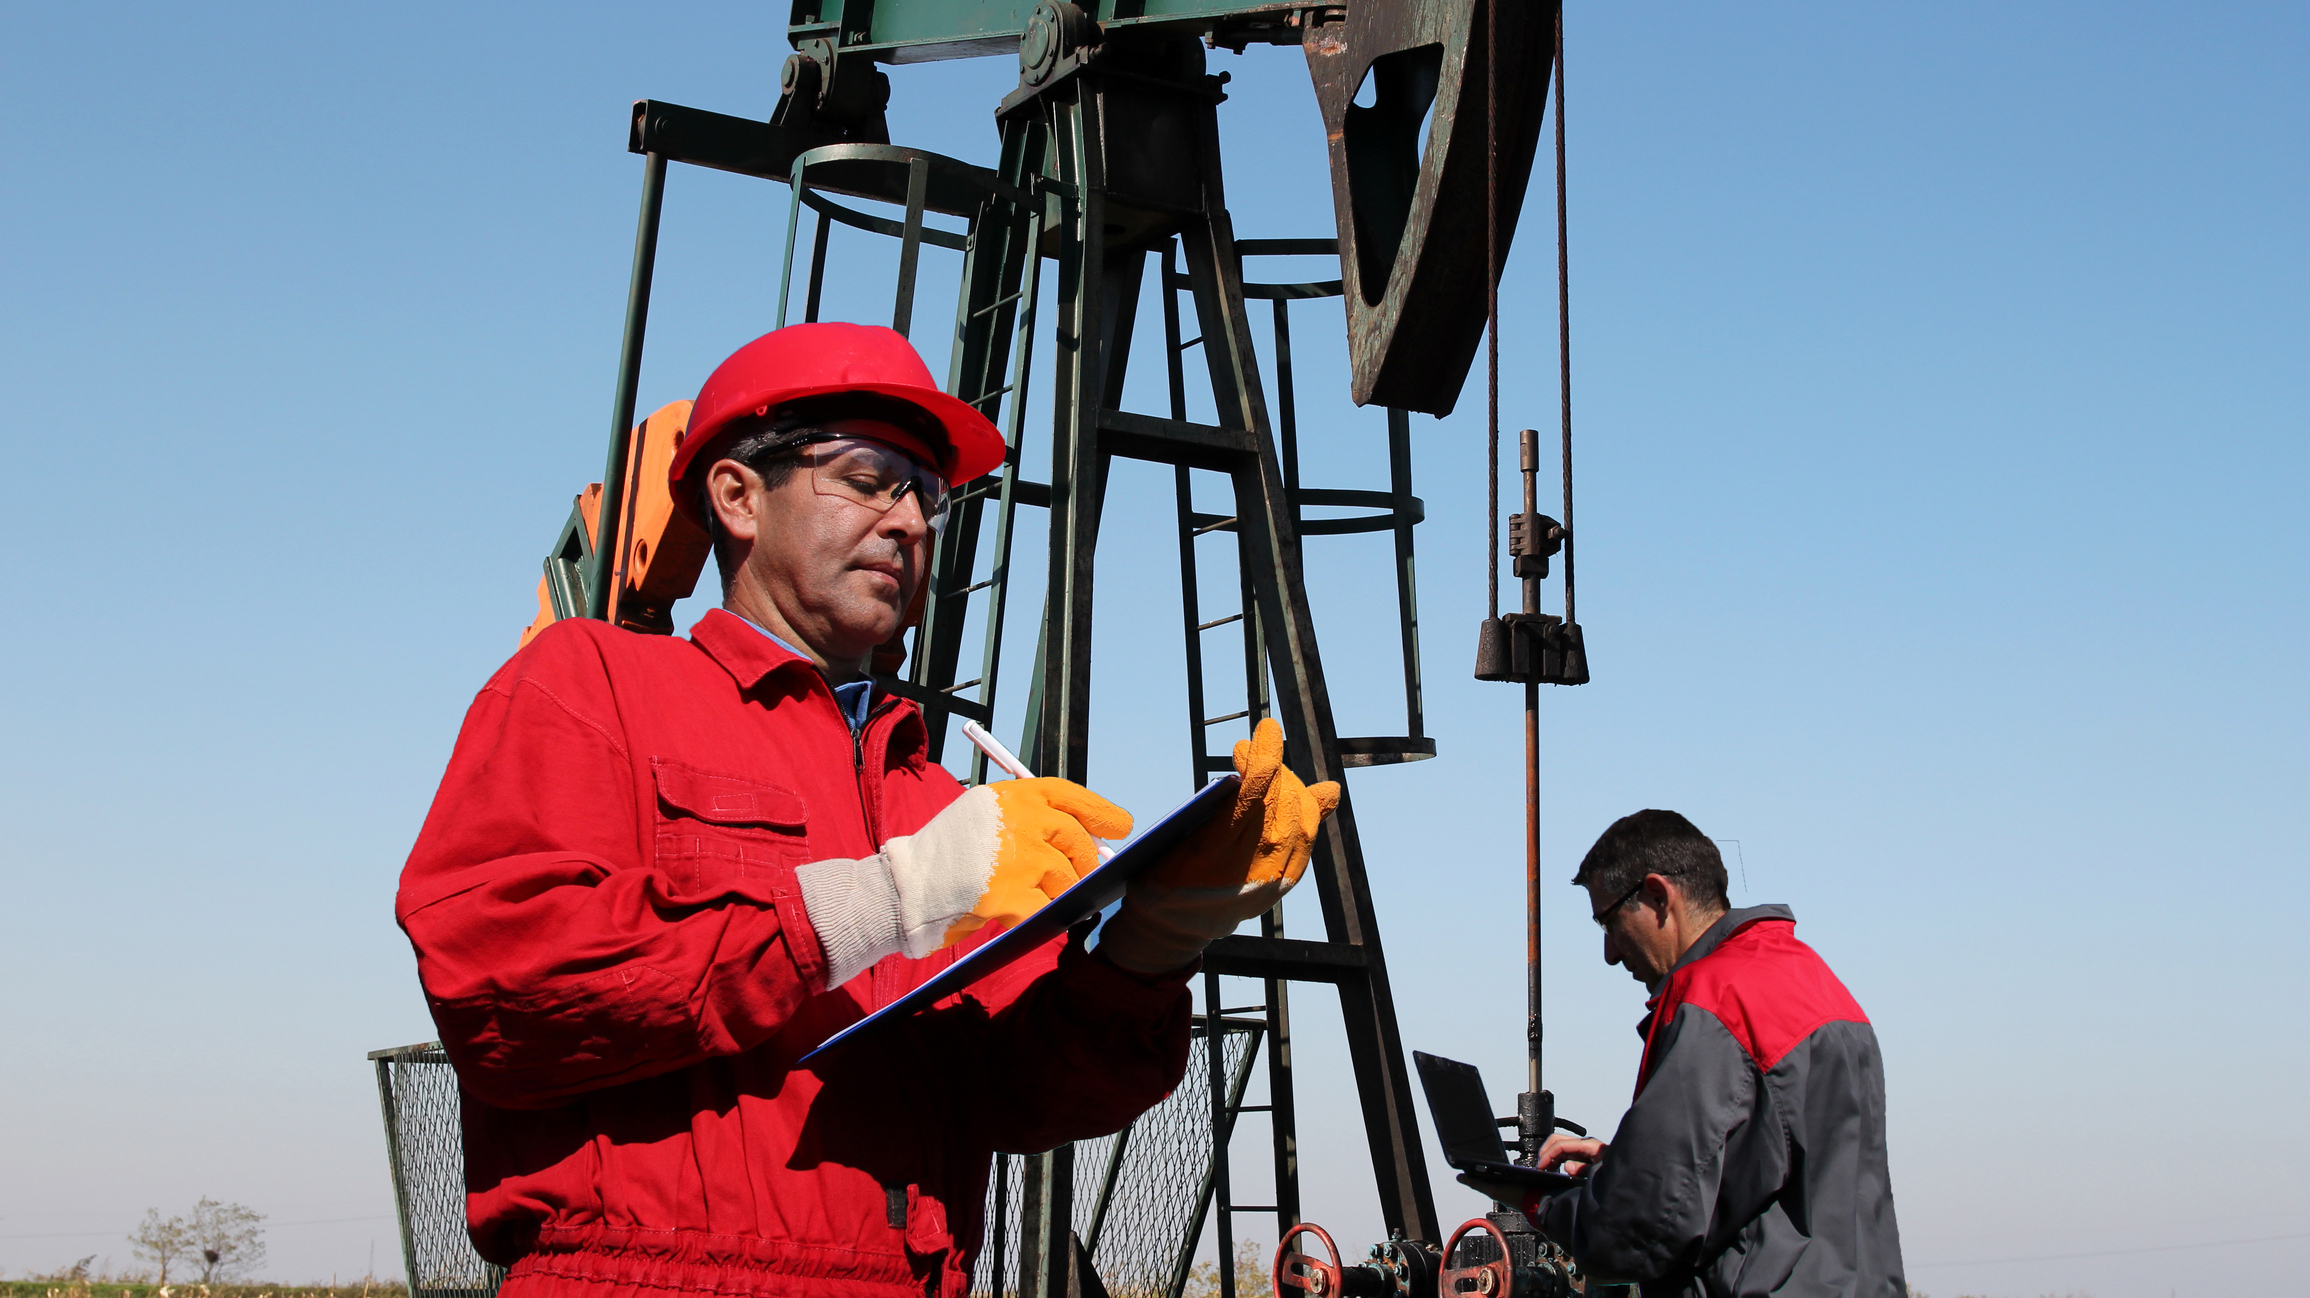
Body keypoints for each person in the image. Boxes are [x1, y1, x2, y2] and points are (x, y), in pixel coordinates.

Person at [395, 322, 1339, 1298]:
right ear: (736, 494)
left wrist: (1155, 937)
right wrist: (880, 897)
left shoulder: (933, 798)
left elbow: (1024, 1091)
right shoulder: (592, 685)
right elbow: (499, 983)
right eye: (865, 475)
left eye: (926, 493)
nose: (911, 522)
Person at [1468, 810, 1905, 1298]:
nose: (1610, 952)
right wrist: (1622, 1167)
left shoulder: (1715, 999)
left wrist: (1537, 1202)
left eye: (1608, 922)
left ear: (1658, 896)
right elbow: (1780, 1177)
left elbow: (1633, 1234)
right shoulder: (1816, 983)